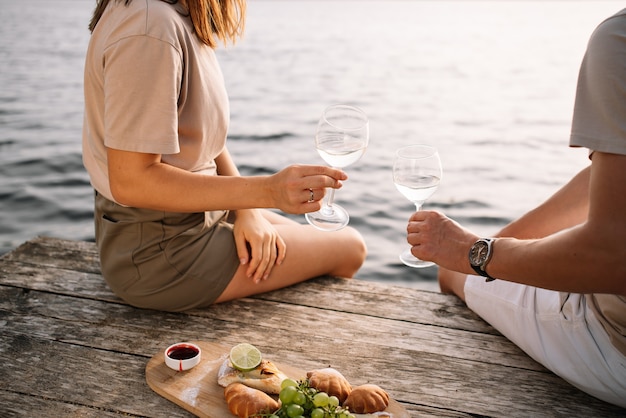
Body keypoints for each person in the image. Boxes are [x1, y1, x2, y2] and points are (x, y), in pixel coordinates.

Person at [81, 0, 367, 312]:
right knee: (349, 248)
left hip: (195, 217)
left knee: (303, 240)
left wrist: (246, 210)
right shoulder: (150, 26)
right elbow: (131, 181)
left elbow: (205, 141)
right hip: (161, 252)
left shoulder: (171, 14)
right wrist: (269, 192)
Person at [406, 9, 626, 408]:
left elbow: (611, 257)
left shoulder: (620, 38)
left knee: (450, 275)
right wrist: (497, 243)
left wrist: (472, 253)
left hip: (615, 350)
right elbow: (605, 184)